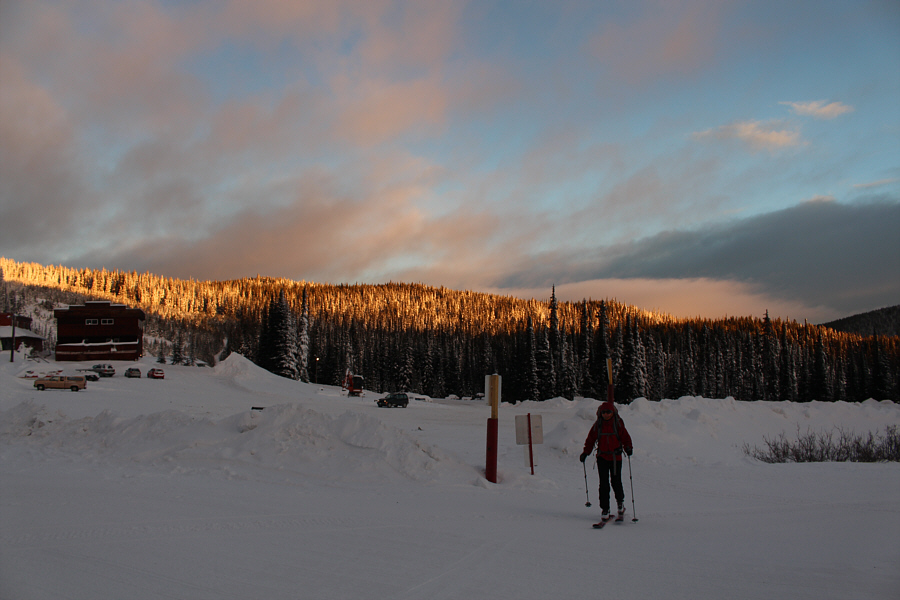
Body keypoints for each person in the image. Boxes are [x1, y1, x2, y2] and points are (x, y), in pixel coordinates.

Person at [580, 401, 633, 519]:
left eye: (608, 412)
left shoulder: (618, 423)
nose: (606, 414)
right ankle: (605, 509)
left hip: (615, 458)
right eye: (603, 412)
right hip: (602, 457)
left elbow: (625, 437)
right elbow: (590, 440)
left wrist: (628, 447)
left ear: (612, 412)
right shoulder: (598, 425)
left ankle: (620, 503)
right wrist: (585, 452)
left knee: (616, 481)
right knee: (603, 484)